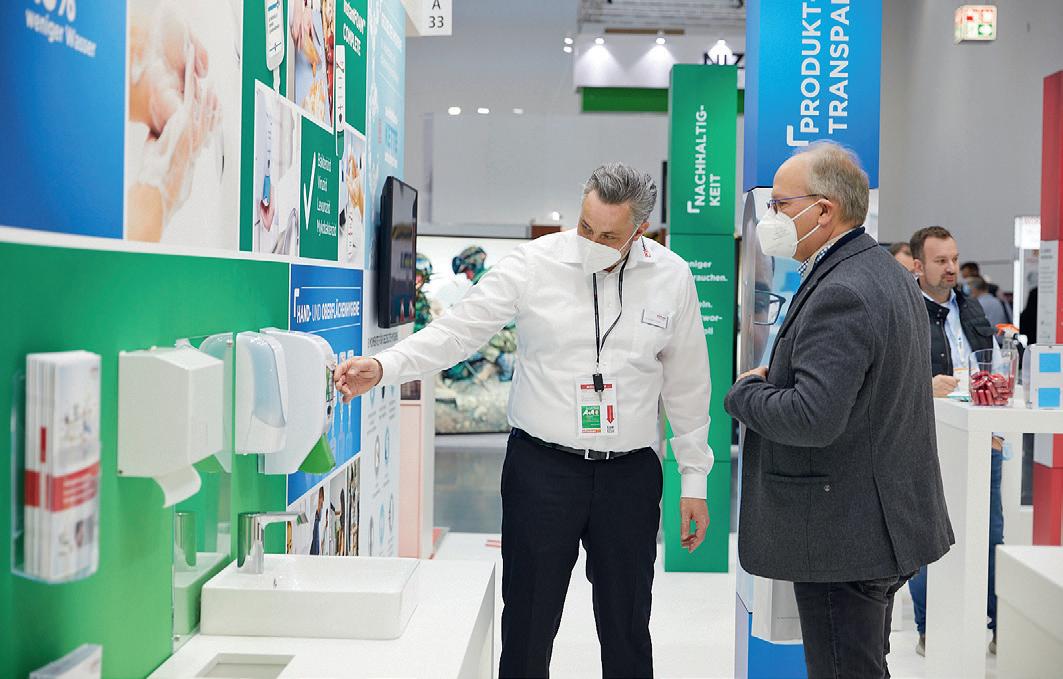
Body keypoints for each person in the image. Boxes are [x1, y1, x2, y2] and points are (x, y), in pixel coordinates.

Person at [334, 162, 714, 678]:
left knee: (627, 627)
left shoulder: (671, 276)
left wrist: (694, 479)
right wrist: (385, 367)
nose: (592, 243)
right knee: (527, 627)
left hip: (629, 476)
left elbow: (688, 384)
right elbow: (458, 332)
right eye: (585, 227)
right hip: (542, 472)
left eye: (608, 236)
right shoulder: (533, 264)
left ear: (640, 230)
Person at [724, 142, 953, 679]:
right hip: (876, 520)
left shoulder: (843, 289)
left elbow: (813, 416)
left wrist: (745, 394)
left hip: (843, 533)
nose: (771, 218)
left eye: (780, 205)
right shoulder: (882, 271)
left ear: (823, 210)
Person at [908, 226, 1003, 657]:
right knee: (927, 537)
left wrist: (997, 423)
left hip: (982, 439)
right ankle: (931, 628)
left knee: (991, 535)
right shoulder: (905, 311)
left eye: (954, 259)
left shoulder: (972, 308)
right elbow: (887, 375)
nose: (951, 268)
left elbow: (994, 365)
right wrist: (923, 386)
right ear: (918, 265)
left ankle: (999, 627)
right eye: (940, 261)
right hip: (926, 440)